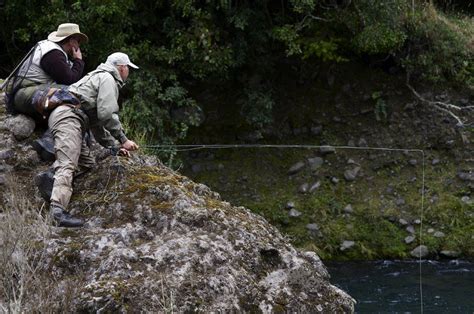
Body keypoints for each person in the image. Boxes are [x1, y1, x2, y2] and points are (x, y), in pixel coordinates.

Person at [48, 52, 139, 227]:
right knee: (68, 163)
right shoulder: (107, 79)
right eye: (128, 68)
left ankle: (50, 177)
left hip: (69, 117)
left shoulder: (100, 77)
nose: (128, 71)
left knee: (87, 163)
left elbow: (97, 124)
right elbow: (106, 114)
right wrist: (123, 139)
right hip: (69, 118)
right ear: (122, 67)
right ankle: (58, 212)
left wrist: (114, 147)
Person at [12, 23, 88, 118]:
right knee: (73, 93)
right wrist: (78, 60)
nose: (79, 45)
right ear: (72, 41)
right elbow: (70, 81)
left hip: (26, 93)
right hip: (25, 95)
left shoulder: (49, 48)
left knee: (69, 93)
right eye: (78, 41)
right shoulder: (53, 54)